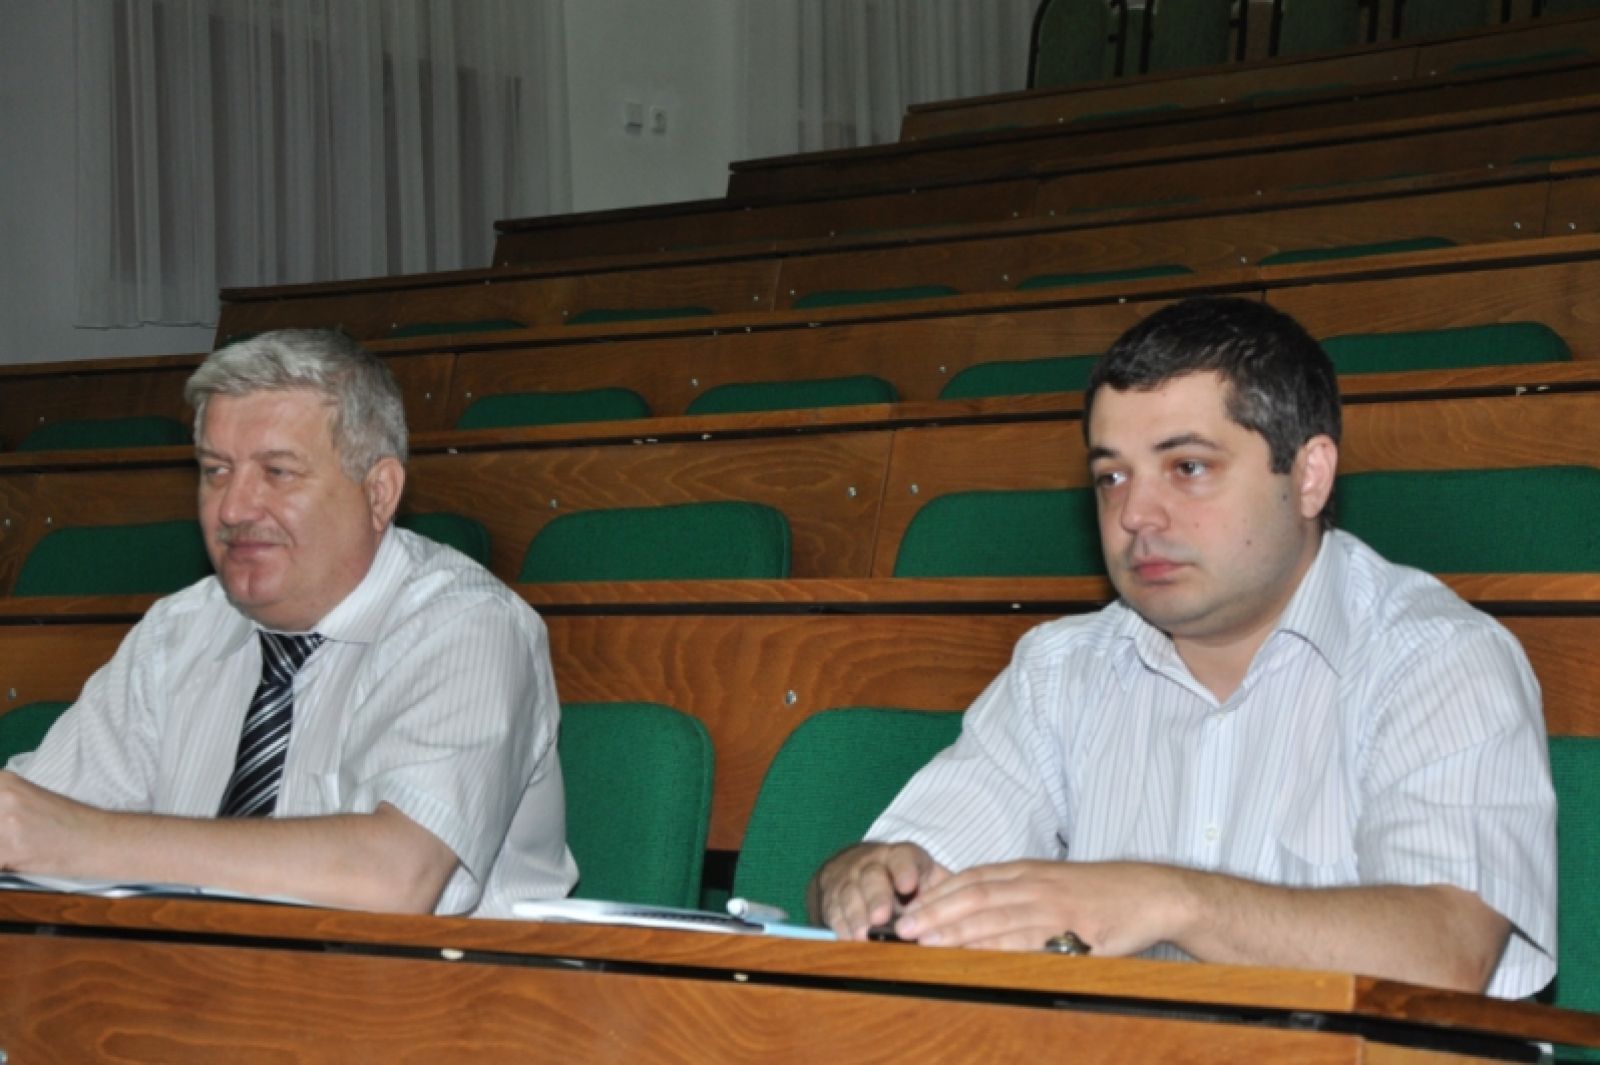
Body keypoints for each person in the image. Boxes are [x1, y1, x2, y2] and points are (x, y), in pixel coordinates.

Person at [811, 297, 1555, 998]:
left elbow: (1446, 952)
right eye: (1112, 476)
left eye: (1187, 467)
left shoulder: (1440, 658)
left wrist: (1169, 901)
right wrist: (863, 878)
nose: (1135, 513)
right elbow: (904, 871)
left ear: (1309, 476)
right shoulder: (1058, 670)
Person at [0, 329, 575, 917]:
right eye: (216, 471)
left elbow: (395, 878)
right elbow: (28, 827)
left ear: (379, 493)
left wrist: (83, 841)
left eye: (277, 472)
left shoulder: (469, 626)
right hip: (178, 972)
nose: (232, 508)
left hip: (422, 977)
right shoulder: (177, 630)